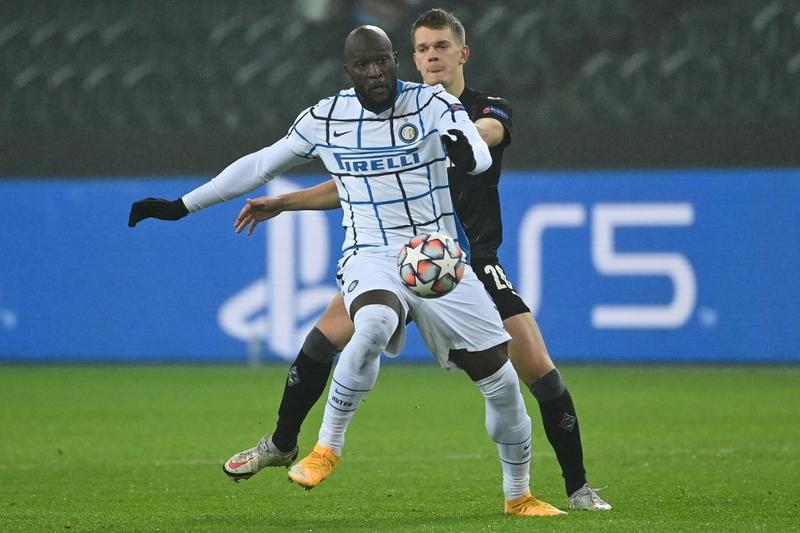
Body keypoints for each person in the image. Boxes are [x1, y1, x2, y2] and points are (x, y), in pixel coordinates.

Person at [129, 24, 563, 517]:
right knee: (373, 322)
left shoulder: (432, 104)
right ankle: (326, 447)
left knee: (503, 384)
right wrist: (181, 205)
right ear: (348, 71)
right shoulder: (326, 117)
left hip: (437, 254)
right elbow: (258, 165)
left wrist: (469, 152)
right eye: (364, 65)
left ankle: (518, 495)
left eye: (383, 61)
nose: (375, 72)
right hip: (370, 252)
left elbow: (476, 150)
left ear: (395, 59)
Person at [223, 9, 611, 512]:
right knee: (323, 341)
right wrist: (284, 201)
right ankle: (281, 444)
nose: (431, 56)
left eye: (441, 47)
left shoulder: (482, 109)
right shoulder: (400, 110)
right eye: (422, 49)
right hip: (399, 257)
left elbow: (491, 133)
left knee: (537, 371)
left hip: (466, 261)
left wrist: (465, 135)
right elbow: (352, 184)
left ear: (461, 53)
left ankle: (577, 487)